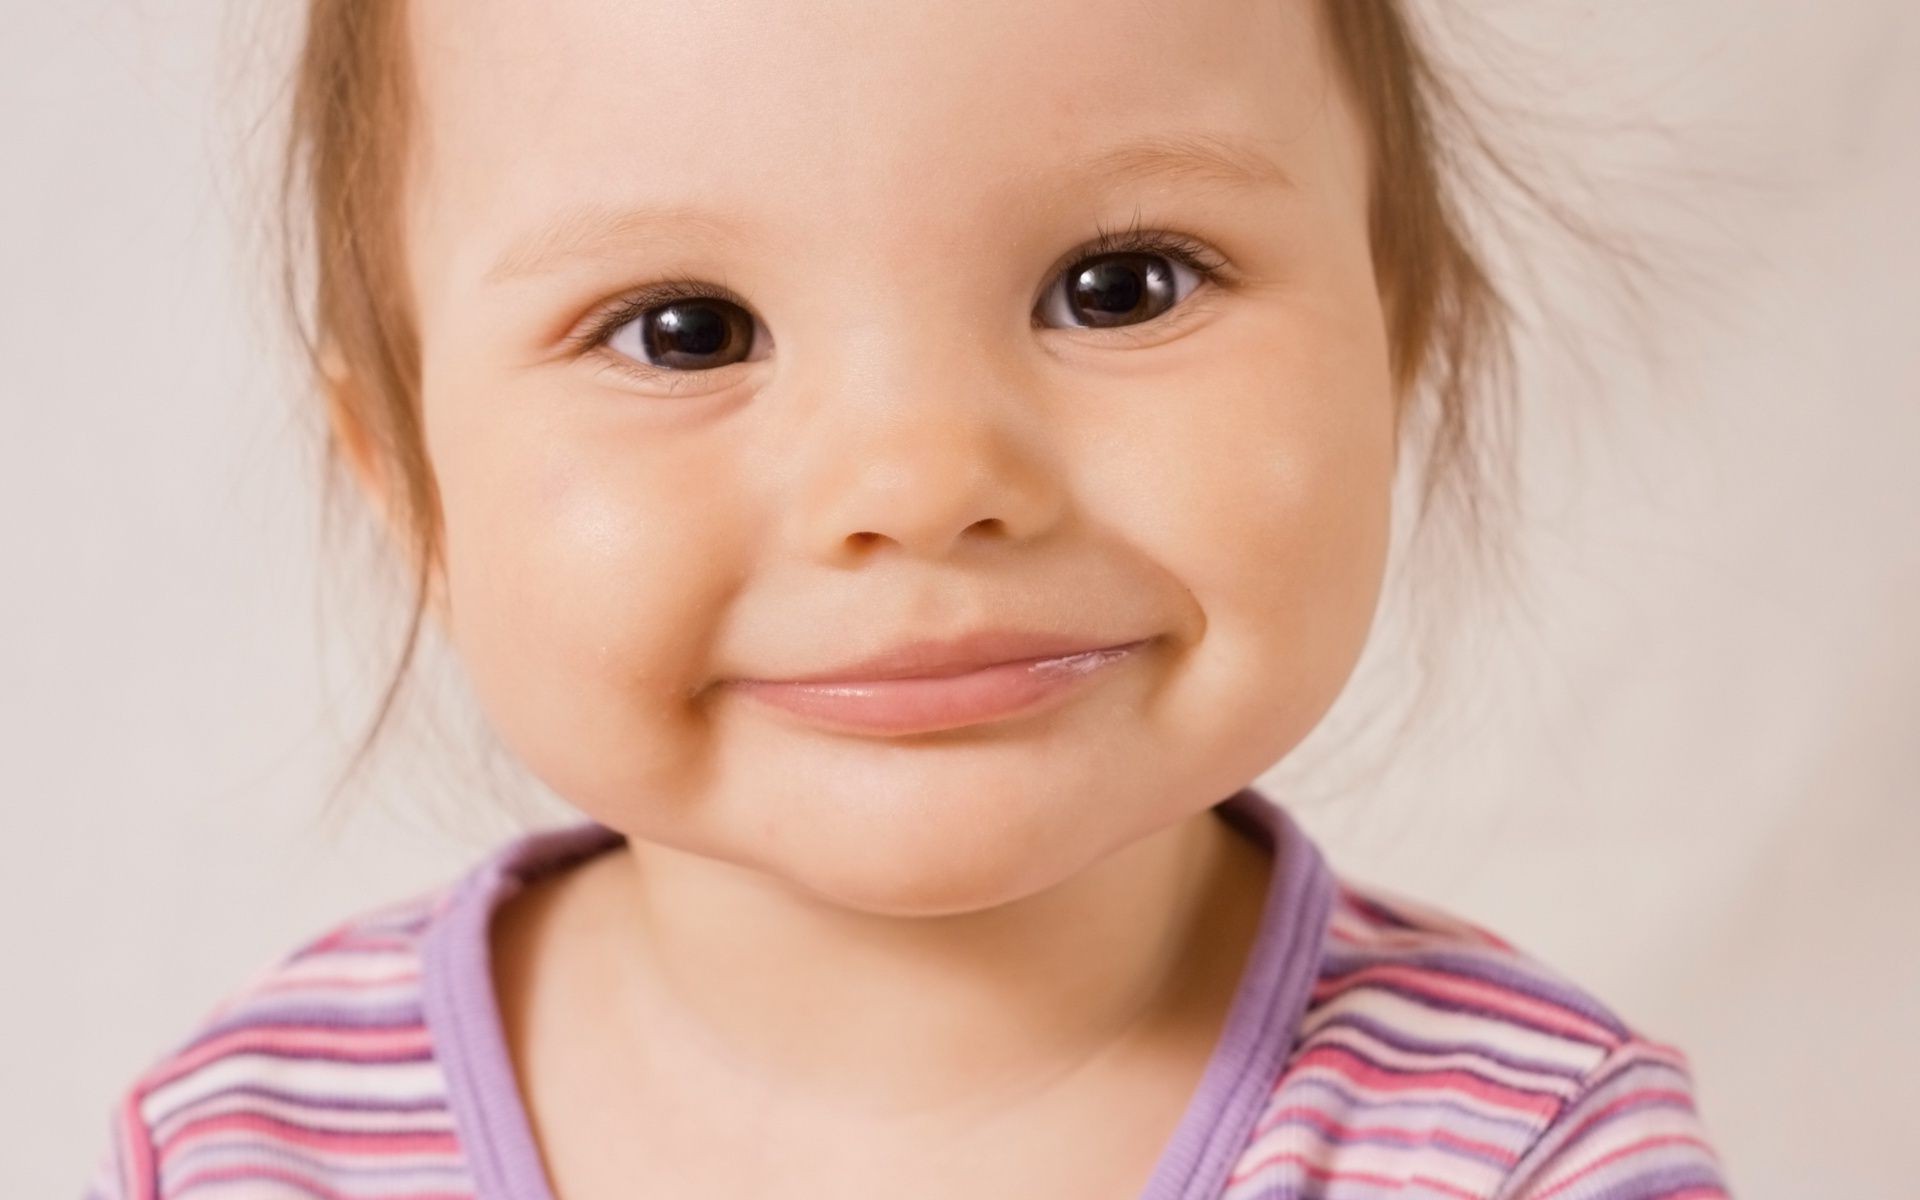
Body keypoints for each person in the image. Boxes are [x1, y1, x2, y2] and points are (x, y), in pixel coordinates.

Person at [84, 0, 1733, 1196]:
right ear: (413, 487)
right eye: (686, 331)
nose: (921, 481)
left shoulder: (1529, 1152)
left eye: (1122, 284)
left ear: (1398, 361)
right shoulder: (247, 1148)